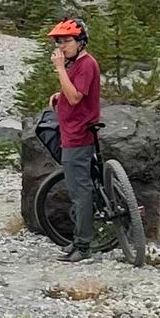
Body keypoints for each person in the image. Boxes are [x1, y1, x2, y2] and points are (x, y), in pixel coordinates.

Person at [48, 18, 102, 261]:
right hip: (72, 132)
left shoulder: (86, 64)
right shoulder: (79, 64)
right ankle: (79, 241)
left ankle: (83, 246)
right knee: (78, 189)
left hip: (78, 135)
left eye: (66, 41)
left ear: (81, 42)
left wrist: (60, 69)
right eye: (59, 42)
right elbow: (71, 92)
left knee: (80, 193)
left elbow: (76, 98)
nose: (61, 47)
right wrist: (59, 95)